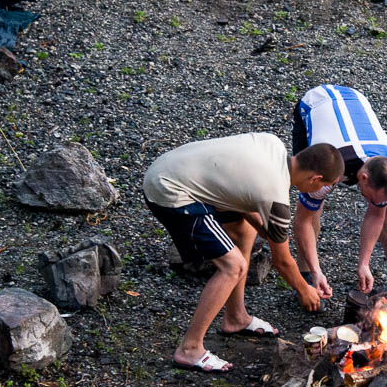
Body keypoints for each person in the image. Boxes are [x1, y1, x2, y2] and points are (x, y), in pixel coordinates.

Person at [143, 132, 344, 372]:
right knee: (233, 266)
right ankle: (189, 349)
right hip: (170, 191)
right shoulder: (275, 197)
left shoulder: (272, 144)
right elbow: (282, 261)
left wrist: (271, 232)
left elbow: (244, 194)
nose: (320, 191)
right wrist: (304, 290)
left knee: (245, 231)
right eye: (324, 186)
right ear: (315, 178)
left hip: (171, 166)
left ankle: (236, 317)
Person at [291, 84, 387, 303]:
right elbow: (301, 220)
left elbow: (377, 213)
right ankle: (306, 278)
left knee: (385, 204)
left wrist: (364, 263)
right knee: (312, 204)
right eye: (371, 197)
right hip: (315, 103)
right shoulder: (326, 168)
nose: (373, 202)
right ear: (363, 178)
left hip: (354, 99)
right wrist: (317, 271)